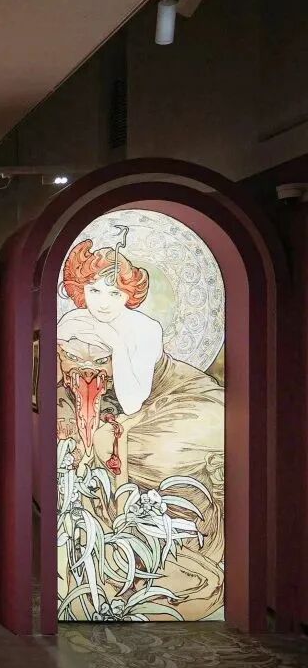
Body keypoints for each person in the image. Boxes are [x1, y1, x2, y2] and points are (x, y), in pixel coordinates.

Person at [56, 238, 225, 620]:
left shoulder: (144, 328)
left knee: (147, 449)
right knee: (98, 445)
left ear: (129, 294)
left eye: (114, 292)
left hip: (184, 402)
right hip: (127, 413)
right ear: (80, 289)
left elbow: (133, 399)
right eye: (94, 290)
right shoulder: (71, 322)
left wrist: (116, 345)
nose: (103, 302)